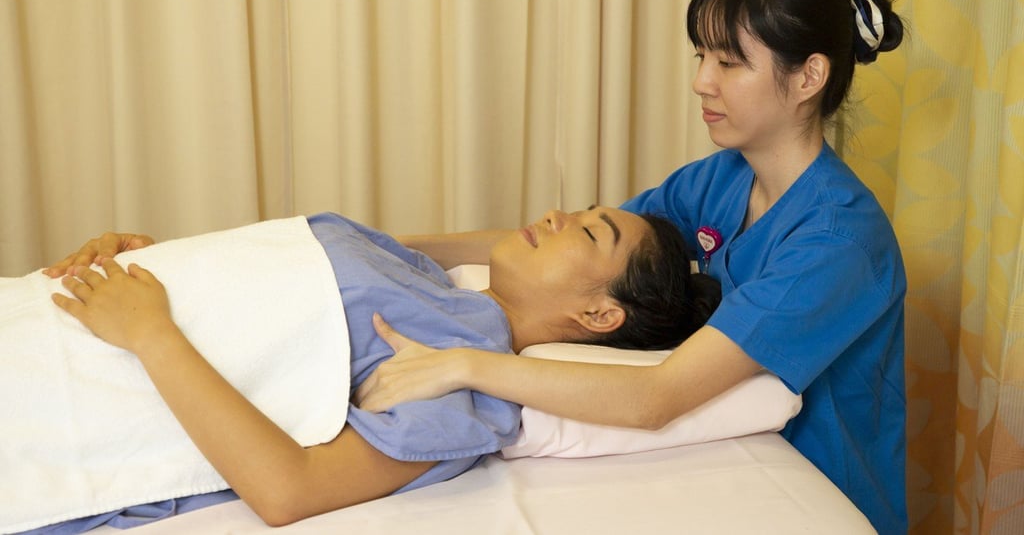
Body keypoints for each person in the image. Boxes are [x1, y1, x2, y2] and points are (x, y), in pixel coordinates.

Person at [350, 0, 909, 534]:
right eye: (701, 56)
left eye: (728, 62)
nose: (700, 82)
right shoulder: (723, 178)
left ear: (808, 77)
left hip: (815, 487)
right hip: (714, 461)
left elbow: (656, 399)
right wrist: (394, 245)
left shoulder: (837, 242)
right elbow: (574, 245)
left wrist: (462, 366)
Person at [24, 207, 719, 532]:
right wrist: (171, 264)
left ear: (600, 316)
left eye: (590, 231)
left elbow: (287, 491)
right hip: (42, 315)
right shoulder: (423, 274)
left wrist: (153, 332)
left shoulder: (459, 384)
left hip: (46, 414)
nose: (557, 213)